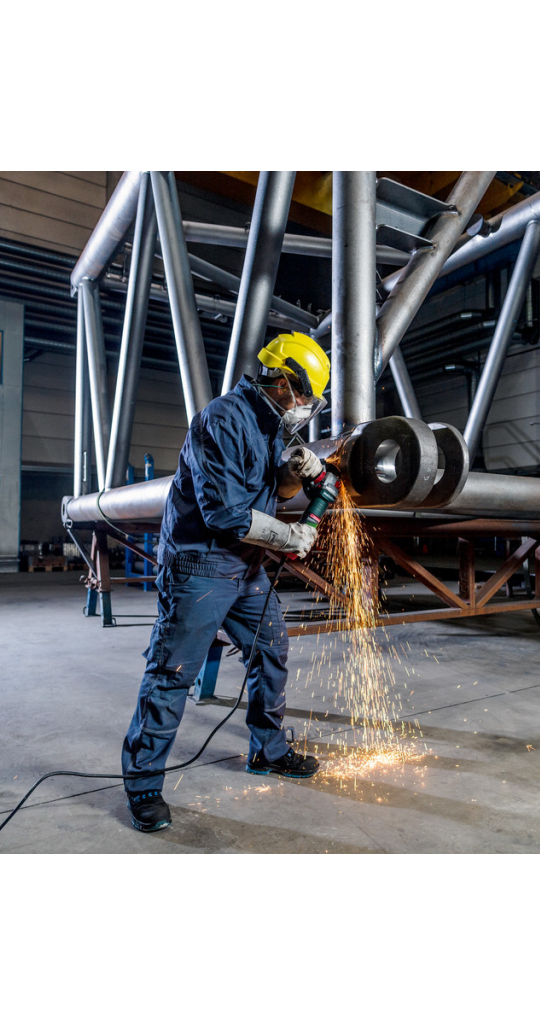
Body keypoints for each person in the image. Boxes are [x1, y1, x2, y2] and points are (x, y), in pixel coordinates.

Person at [120, 332, 331, 832]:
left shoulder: (271, 426)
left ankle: (268, 750)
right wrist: (292, 536)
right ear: (282, 382)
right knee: (173, 672)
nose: (304, 408)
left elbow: (275, 492)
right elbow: (224, 513)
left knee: (272, 647)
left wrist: (296, 471)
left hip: (246, 567)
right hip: (201, 564)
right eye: (303, 396)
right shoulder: (221, 419)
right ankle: (143, 785)